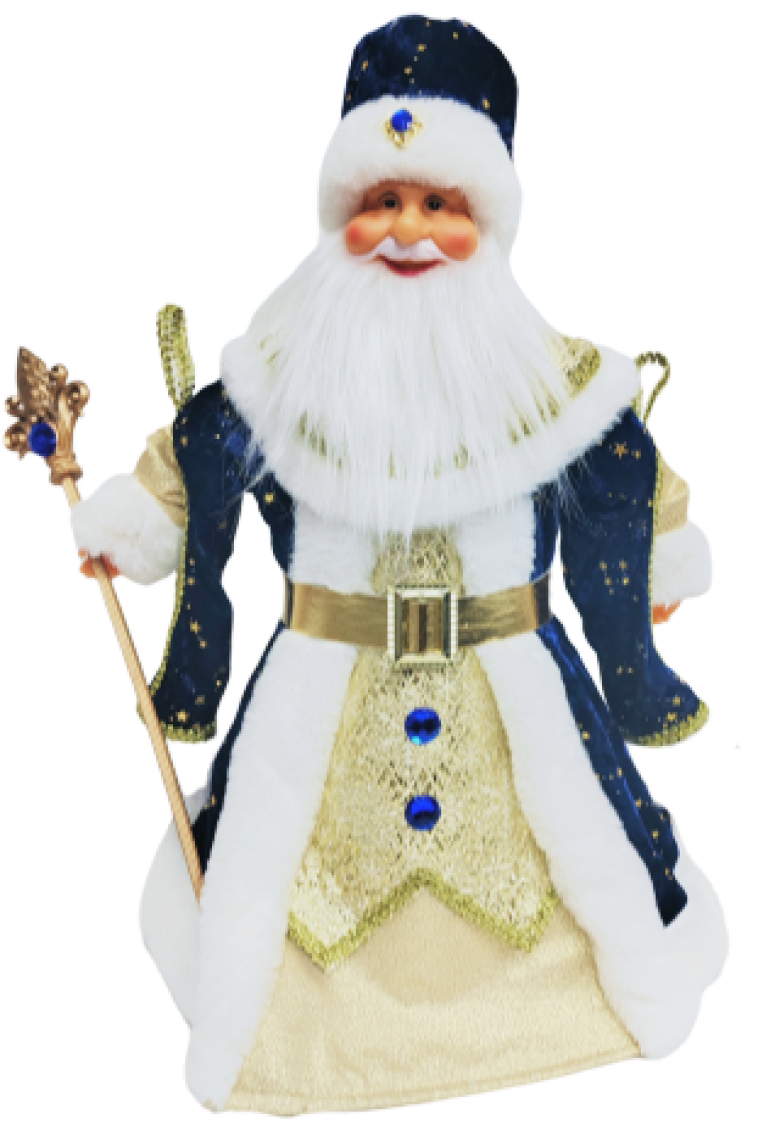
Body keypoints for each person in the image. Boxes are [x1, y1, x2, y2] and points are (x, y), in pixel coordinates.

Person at [68, 13, 729, 1116]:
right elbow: (188, 463)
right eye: (382, 201)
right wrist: (130, 526)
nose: (408, 231)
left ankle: (561, 1021)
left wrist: (658, 561)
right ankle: (299, 1048)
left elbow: (631, 473)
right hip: (323, 692)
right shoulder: (280, 374)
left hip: (510, 687)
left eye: (437, 205)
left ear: (487, 216)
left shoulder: (556, 381)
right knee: (280, 876)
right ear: (340, 213)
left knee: (567, 849)